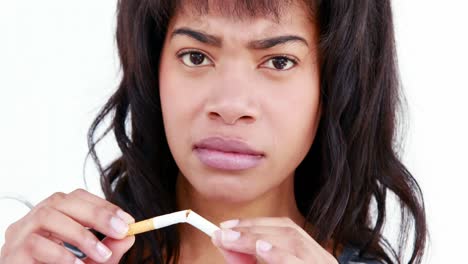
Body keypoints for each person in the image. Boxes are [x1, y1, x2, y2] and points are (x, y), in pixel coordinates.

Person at [0, 0, 428, 263]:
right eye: (195, 56)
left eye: (278, 61)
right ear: (153, 70)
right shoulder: (63, 258)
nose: (229, 105)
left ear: (335, 86)